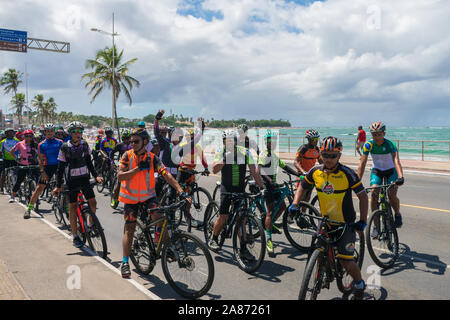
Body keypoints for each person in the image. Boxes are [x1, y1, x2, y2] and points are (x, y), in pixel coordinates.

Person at [289, 136, 369, 300]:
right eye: (325, 155)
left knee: (346, 261)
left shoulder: (347, 173)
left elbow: (362, 197)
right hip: (325, 221)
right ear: (321, 154)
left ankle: (360, 283)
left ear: (339, 155)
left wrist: (362, 221)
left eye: (333, 155)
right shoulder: (315, 171)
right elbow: (302, 187)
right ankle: (323, 272)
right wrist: (295, 204)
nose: (329, 159)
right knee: (319, 251)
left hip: (345, 224)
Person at [117, 128, 189, 278]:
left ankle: (167, 247)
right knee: (129, 230)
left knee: (161, 218)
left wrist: (180, 191)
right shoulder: (127, 155)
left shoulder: (153, 158)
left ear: (145, 142)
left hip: (148, 197)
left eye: (136, 141)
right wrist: (137, 170)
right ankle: (125, 262)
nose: (132, 144)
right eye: (131, 141)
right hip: (130, 199)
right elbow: (120, 177)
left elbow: (167, 174)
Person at [208, 130, 265, 260]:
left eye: (231, 141)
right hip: (226, 188)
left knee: (242, 219)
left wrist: (262, 186)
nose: (228, 143)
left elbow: (253, 171)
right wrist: (225, 158)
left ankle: (243, 249)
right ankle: (214, 237)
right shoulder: (220, 151)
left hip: (239, 189)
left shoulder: (245, 152)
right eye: (226, 141)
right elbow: (214, 169)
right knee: (223, 217)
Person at [52, 122, 103, 249]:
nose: (78, 134)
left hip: (84, 178)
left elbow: (89, 163)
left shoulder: (85, 145)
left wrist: (96, 175)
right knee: (73, 207)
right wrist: (58, 185)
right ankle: (75, 236)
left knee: (93, 202)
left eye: (80, 131)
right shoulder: (64, 147)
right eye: (75, 131)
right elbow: (60, 168)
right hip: (71, 181)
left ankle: (90, 225)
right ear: (70, 133)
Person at [258, 130, 299, 256]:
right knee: (270, 212)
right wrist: (270, 181)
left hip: (274, 185)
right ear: (266, 142)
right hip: (266, 185)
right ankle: (269, 239)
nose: (272, 143)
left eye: (274, 141)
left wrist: (299, 174)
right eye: (270, 141)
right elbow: (260, 170)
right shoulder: (264, 154)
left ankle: (269, 224)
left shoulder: (274, 156)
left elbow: (285, 167)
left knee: (282, 207)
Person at [357, 121, 405, 230]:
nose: (377, 137)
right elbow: (362, 163)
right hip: (377, 171)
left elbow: (396, 161)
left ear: (384, 134)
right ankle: (375, 226)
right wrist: (357, 181)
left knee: (391, 194)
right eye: (374, 134)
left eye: (379, 134)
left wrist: (400, 176)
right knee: (374, 194)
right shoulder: (368, 145)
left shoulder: (390, 144)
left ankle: (397, 214)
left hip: (391, 172)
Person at [24, 124, 63, 219]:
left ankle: (65, 207)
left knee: (64, 187)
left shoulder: (60, 142)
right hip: (48, 167)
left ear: (54, 132)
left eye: (51, 131)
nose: (49, 133)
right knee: (39, 188)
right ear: (45, 132)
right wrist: (42, 172)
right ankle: (28, 209)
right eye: (47, 131)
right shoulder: (42, 144)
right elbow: (40, 160)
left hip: (60, 166)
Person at [9, 129, 40, 203]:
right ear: (24, 136)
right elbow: (12, 151)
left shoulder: (36, 144)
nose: (28, 138)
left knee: (37, 181)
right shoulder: (20, 144)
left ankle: (36, 198)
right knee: (19, 181)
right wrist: (16, 159)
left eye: (30, 136)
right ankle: (13, 195)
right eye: (26, 136)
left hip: (33, 165)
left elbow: (40, 154)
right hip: (23, 165)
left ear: (32, 136)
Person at [294, 129, 322, 203]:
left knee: (308, 196)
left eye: (317, 139)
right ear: (309, 139)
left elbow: (321, 162)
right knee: (301, 196)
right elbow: (295, 162)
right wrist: (303, 171)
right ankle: (295, 212)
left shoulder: (317, 149)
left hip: (311, 175)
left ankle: (304, 212)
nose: (316, 141)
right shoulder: (303, 148)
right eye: (314, 139)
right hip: (303, 175)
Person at [109, 130, 133, 209]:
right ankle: (115, 199)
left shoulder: (133, 145)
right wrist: (112, 163)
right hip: (122, 166)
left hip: (132, 166)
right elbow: (111, 153)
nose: (126, 140)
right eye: (124, 138)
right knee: (119, 184)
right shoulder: (119, 145)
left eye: (127, 138)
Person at [0, 128, 20, 194]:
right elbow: (0, 151)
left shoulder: (17, 141)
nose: (10, 134)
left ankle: (17, 189)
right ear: (6, 134)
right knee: (3, 173)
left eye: (11, 132)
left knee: (17, 174)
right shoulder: (3, 142)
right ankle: (2, 188)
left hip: (15, 160)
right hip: (6, 160)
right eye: (9, 132)